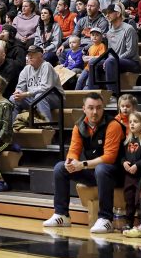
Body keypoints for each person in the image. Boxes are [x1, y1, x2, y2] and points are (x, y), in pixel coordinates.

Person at [42, 92, 124, 233]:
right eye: (91, 108)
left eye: (98, 108)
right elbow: (74, 150)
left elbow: (109, 157)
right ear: (84, 108)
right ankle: (62, 215)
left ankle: (106, 219)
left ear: (103, 108)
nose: (95, 112)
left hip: (115, 174)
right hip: (94, 172)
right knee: (60, 168)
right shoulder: (79, 126)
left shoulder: (113, 125)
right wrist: (70, 161)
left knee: (102, 169)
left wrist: (82, 164)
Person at [12, 45, 61, 124]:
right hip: (34, 98)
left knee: (40, 97)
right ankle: (11, 129)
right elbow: (20, 86)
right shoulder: (26, 69)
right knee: (13, 98)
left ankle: (47, 127)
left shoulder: (46, 66)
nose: (30, 57)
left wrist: (26, 94)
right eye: (29, 55)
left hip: (55, 97)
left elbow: (46, 88)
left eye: (33, 55)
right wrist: (18, 92)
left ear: (41, 56)